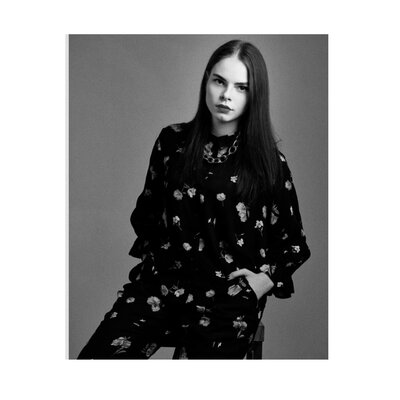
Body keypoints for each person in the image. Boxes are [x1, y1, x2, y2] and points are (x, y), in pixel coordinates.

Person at [78, 39, 311, 359]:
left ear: (255, 95)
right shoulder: (172, 142)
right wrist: (159, 263)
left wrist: (262, 282)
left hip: (227, 299)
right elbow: (147, 212)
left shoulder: (268, 163)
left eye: (241, 87)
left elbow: (293, 244)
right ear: (206, 82)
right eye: (219, 81)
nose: (226, 94)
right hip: (162, 287)